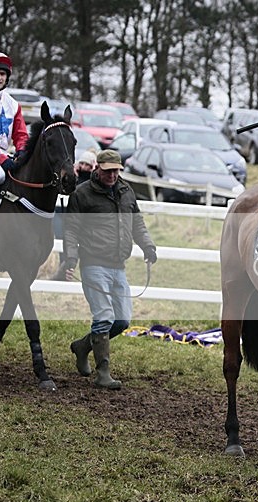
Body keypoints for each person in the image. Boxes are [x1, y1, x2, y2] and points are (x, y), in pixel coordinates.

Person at [63, 149, 157, 389]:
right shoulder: (82, 195)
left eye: (116, 171)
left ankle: (83, 346)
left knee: (122, 320)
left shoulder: (126, 192)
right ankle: (103, 372)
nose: (113, 175)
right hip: (93, 263)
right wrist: (71, 259)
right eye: (108, 171)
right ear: (97, 169)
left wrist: (147, 246)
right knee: (104, 316)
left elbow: (137, 224)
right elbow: (71, 230)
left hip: (118, 266)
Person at [50, 150, 98, 280]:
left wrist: (93, 173)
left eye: (87, 164)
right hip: (62, 214)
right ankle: (64, 269)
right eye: (81, 163)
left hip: (79, 218)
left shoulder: (93, 181)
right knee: (61, 239)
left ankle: (69, 269)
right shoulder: (71, 178)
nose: (83, 167)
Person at [0, 52, 29, 190]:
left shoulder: (13, 104)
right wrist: (1, 159)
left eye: (2, 74)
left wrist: (22, 151)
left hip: (4, 155)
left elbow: (21, 135)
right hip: (1, 159)